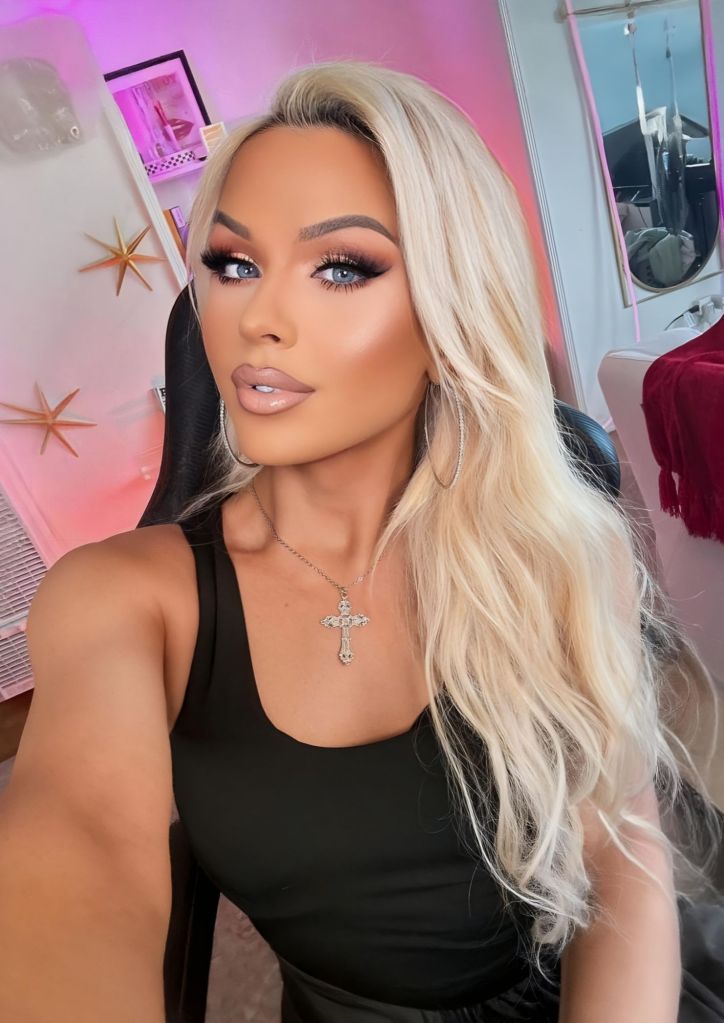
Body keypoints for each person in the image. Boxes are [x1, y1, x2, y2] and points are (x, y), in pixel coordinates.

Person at [1, 60, 721, 1023]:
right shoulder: (124, 600)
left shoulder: (555, 545)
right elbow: (77, 860)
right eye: (233, 263)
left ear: (449, 310)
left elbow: (618, 858)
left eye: (341, 267)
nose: (257, 318)